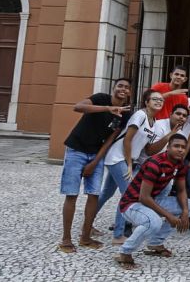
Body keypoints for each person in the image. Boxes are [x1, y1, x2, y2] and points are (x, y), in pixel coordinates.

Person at [58, 78, 132, 253]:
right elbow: (78, 107)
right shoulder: (100, 99)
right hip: (76, 148)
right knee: (71, 194)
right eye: (120, 86)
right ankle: (66, 239)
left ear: (129, 93)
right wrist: (108, 108)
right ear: (113, 88)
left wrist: (95, 162)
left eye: (127, 87)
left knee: (93, 194)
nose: (123, 89)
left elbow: (110, 139)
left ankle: (85, 236)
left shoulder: (126, 114)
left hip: (96, 153)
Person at [114, 134, 190, 270]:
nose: (180, 150)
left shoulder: (180, 164)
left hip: (153, 199)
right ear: (168, 147)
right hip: (131, 204)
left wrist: (185, 212)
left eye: (183, 147)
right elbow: (143, 197)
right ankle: (125, 252)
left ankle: (155, 243)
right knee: (154, 222)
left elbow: (181, 190)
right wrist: (169, 216)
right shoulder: (155, 163)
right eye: (176, 146)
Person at [97, 89, 165, 245]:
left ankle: (88, 224)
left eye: (161, 100)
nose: (158, 102)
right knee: (128, 194)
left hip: (129, 160)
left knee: (106, 193)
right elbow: (128, 140)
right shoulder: (140, 115)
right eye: (154, 99)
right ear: (146, 102)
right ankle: (118, 234)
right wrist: (128, 164)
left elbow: (145, 149)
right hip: (118, 157)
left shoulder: (154, 124)